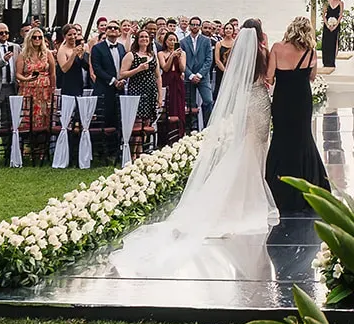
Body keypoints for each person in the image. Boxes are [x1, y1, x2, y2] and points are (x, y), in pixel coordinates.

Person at [107, 21, 278, 276]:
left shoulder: (236, 54)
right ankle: (249, 199)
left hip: (245, 100)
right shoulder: (262, 53)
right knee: (257, 147)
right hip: (259, 100)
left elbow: (232, 77)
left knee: (245, 147)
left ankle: (242, 196)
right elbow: (269, 79)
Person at [265, 16, 332, 216]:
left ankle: (278, 187)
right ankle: (308, 185)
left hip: (282, 101)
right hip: (302, 100)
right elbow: (312, 77)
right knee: (303, 139)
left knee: (281, 139)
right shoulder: (311, 51)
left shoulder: (277, 48)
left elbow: (270, 77)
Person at [17, 27, 55, 134]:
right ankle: (28, 146)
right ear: (30, 39)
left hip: (45, 90)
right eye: (34, 37)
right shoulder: (23, 55)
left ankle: (43, 146)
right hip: (28, 89)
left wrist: (53, 88)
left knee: (44, 115)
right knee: (29, 116)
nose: (37, 39)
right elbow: (18, 73)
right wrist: (26, 79)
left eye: (40, 37)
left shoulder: (47, 53)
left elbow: (53, 73)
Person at [121, 29, 160, 129]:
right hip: (136, 91)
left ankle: (144, 144)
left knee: (147, 122)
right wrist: (138, 69)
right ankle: (135, 144)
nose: (144, 39)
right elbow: (122, 74)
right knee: (137, 122)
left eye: (146, 37)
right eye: (141, 37)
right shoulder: (131, 55)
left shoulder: (152, 55)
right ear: (137, 39)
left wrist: (160, 96)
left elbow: (158, 76)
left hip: (150, 92)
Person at [180, 18, 215, 128]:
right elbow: (181, 61)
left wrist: (200, 74)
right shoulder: (183, 42)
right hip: (189, 76)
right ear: (189, 26)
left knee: (208, 101)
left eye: (197, 25)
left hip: (203, 77)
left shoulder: (206, 41)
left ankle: (207, 126)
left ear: (199, 26)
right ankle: (193, 127)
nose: (195, 26)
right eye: (193, 24)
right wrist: (190, 75)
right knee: (191, 104)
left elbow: (209, 59)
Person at [157, 31, 190, 144]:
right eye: (170, 40)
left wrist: (179, 56)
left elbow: (182, 68)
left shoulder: (183, 53)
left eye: (174, 40)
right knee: (167, 107)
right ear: (165, 41)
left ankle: (179, 134)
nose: (172, 42)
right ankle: (165, 137)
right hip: (166, 80)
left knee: (179, 107)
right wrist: (171, 56)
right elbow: (165, 68)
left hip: (177, 81)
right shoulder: (161, 53)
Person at [55, 24, 89, 101]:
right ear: (65, 36)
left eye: (74, 34)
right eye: (69, 35)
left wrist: (82, 56)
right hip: (68, 84)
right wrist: (73, 55)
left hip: (79, 83)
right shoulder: (62, 50)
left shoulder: (79, 47)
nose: (73, 37)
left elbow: (86, 67)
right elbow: (64, 69)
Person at [321, 0, 343, 69]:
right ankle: (325, 62)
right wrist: (327, 24)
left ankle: (331, 62)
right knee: (326, 43)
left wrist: (336, 25)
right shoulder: (327, 2)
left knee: (333, 43)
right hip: (327, 25)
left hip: (335, 25)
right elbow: (323, 14)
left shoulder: (341, 3)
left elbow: (340, 15)